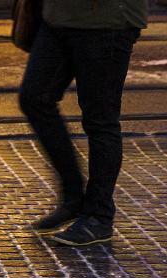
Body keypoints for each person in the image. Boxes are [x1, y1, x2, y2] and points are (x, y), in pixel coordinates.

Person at [19, 0, 148, 246]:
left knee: (100, 120)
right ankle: (73, 197)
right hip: (58, 18)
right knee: (34, 98)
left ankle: (98, 216)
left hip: (107, 23)